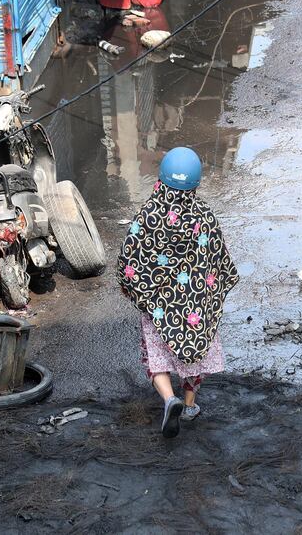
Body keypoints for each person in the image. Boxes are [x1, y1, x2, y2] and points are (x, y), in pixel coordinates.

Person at [118, 147, 239, 438]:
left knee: (157, 356)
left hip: (159, 306)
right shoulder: (204, 216)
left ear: (161, 180)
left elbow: (129, 261)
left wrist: (142, 293)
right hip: (194, 306)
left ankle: (167, 398)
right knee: (194, 356)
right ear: (195, 184)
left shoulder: (148, 216)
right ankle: (187, 404)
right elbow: (219, 260)